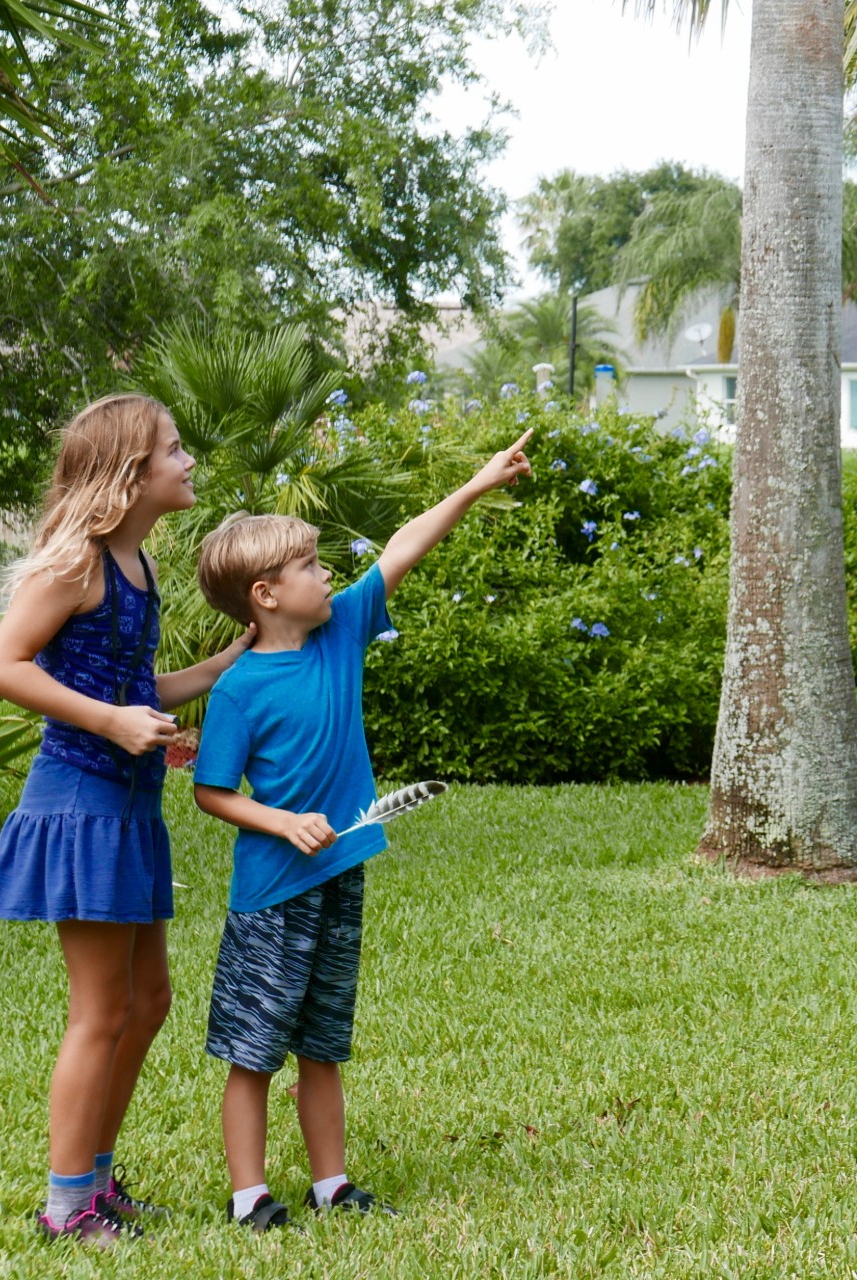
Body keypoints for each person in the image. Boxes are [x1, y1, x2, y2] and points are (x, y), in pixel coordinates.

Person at [191, 429, 533, 1232]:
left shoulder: (342, 628)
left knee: (324, 1040)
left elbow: (405, 543)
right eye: (308, 566)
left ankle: (331, 1183)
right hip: (273, 892)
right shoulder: (240, 687)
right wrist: (281, 821)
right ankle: (249, 1197)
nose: (327, 573)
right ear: (266, 595)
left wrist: (476, 484)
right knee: (254, 1048)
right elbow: (210, 792)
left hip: (341, 874)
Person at [0, 394, 252, 1244]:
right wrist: (110, 722)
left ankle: (96, 1180)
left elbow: (135, 691)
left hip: (128, 807)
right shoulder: (77, 564)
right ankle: (67, 1209)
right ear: (131, 474)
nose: (189, 462)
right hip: (81, 803)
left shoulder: (139, 566)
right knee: (100, 1010)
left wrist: (225, 664)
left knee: (149, 999)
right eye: (174, 450)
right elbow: (0, 668)